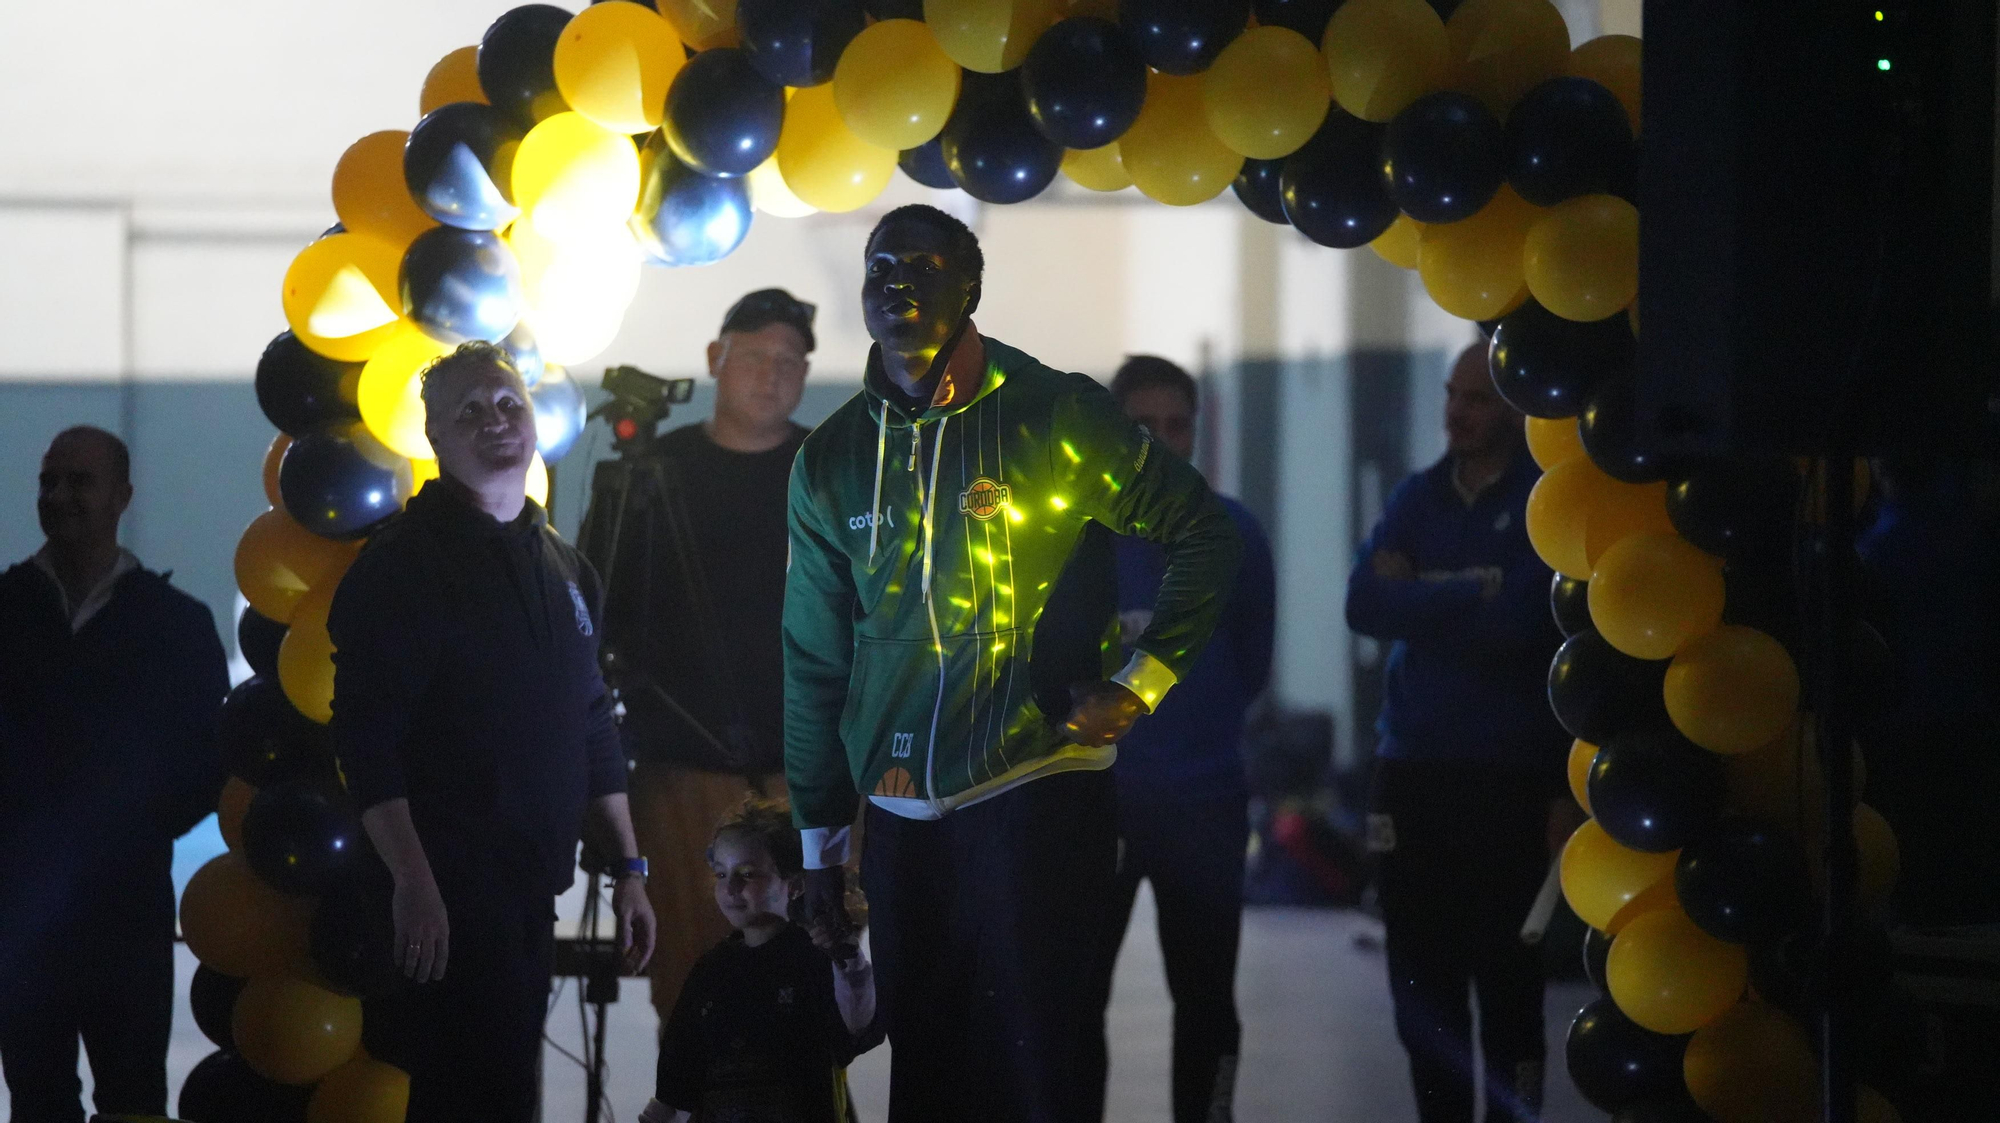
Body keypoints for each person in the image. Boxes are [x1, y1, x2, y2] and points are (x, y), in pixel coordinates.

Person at [783, 203, 1243, 1122]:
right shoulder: (832, 457)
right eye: (881, 267)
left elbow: (1203, 533)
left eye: (923, 264)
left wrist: (1138, 684)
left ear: (972, 287)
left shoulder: (1057, 412)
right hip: (903, 816)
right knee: (926, 1079)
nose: (897, 284)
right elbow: (814, 660)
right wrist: (821, 845)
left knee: (1040, 1073)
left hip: (1036, 794)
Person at [327, 341, 658, 1123]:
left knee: (506, 1098)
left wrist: (631, 869)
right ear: (435, 438)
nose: (496, 420)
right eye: (469, 411)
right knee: (460, 1100)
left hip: (529, 894)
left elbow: (590, 722)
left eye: (508, 403)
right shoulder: (402, 566)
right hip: (442, 903)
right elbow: (367, 742)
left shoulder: (565, 566)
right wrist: (413, 882)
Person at [1344, 343, 1574, 1123]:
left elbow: (1525, 624)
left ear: (1513, 408)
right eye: (1451, 394)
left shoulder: (1546, 501)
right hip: (1411, 771)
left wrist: (1428, 595)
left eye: (1475, 398)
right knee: (1422, 996)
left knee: (1509, 992)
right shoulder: (1418, 495)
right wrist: (1472, 591)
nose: (1456, 411)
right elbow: (1363, 606)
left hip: (1508, 777)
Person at [595, 288, 821, 1021]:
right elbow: (603, 615)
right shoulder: (651, 472)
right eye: (755, 354)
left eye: (789, 359)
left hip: (810, 773)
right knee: (695, 991)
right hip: (679, 772)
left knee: (810, 986)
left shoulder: (829, 472)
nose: (771, 372)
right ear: (715, 360)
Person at [0, 426, 229, 1123]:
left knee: (133, 1100)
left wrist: (133, 825)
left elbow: (210, 759)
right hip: (19, 910)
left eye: (79, 481)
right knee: (38, 1099)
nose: (59, 496)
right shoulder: (3, 611)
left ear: (123, 496)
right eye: (49, 481)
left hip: (124, 911)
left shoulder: (177, 626)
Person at [1079, 356, 1276, 1123]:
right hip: (1098, 804)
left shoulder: (1233, 534)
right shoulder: (1079, 540)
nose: (1160, 441)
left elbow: (1250, 665)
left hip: (1205, 806)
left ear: (1195, 431)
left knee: (1206, 999)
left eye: (1175, 425)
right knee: (1077, 995)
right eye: (1141, 426)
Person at [640, 798, 881, 1123]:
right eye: (721, 874)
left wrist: (846, 959)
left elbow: (857, 1026)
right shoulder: (711, 971)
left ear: (793, 883)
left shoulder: (815, 959)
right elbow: (678, 1076)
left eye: (748, 874)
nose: (730, 888)